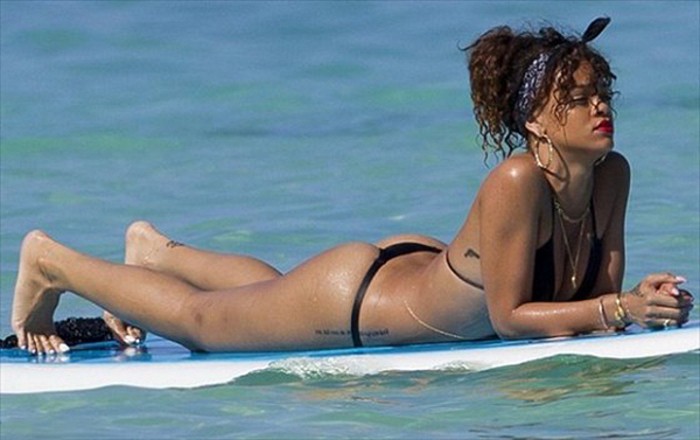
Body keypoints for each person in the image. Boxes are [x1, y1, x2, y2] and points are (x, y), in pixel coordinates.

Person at [11, 17, 694, 355]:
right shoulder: (517, 179)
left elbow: (586, 298)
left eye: (601, 91)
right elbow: (516, 317)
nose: (599, 106)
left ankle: (157, 254)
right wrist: (621, 309)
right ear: (535, 123)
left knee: (269, 293)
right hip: (361, 303)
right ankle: (53, 263)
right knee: (203, 325)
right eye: (577, 98)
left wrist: (644, 303)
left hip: (414, 276)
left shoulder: (612, 173)